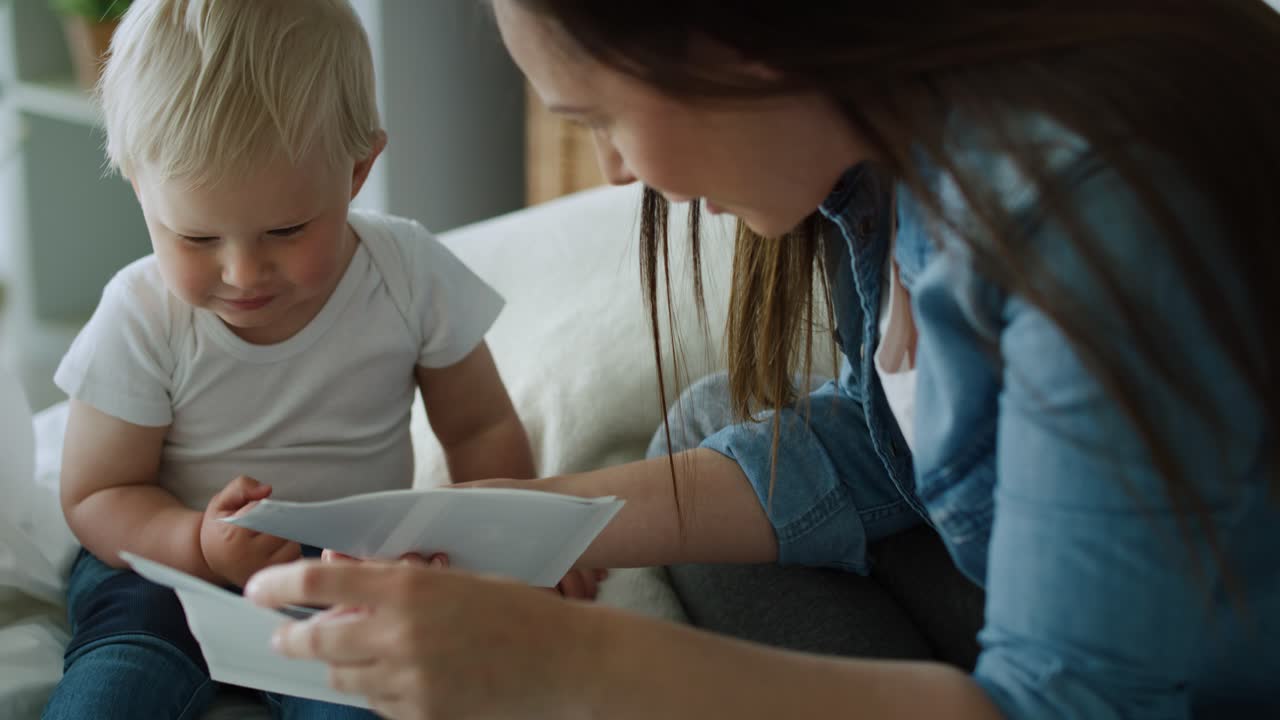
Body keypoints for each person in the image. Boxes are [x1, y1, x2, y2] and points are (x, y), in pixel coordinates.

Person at [246, 1, 1280, 717]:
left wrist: (575, 667)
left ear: (734, 42)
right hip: (1090, 604)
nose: (614, 173)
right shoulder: (899, 154)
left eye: (602, 118)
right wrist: (523, 515)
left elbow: (1080, 705)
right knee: (706, 428)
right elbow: (888, 445)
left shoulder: (1086, 222)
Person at [40, 0, 603, 717]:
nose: (243, 272)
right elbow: (97, 494)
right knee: (112, 689)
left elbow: (479, 428)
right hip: (163, 575)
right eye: (198, 238)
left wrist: (516, 550)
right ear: (137, 183)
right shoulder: (142, 315)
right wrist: (198, 544)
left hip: (348, 567)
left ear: (358, 169)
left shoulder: (407, 275)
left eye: (286, 229)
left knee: (366, 700)